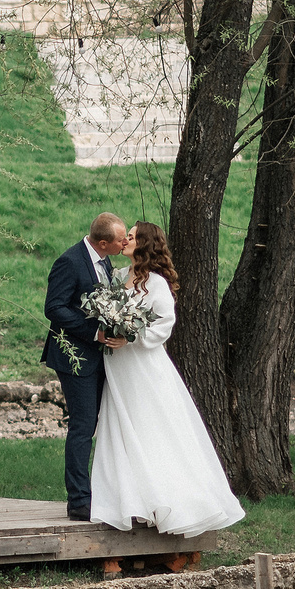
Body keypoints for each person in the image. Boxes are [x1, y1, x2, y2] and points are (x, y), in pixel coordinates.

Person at [89, 222, 246, 536]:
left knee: (150, 428)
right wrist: (109, 327)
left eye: (131, 236)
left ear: (145, 243)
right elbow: (105, 312)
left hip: (143, 366)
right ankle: (125, 502)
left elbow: (164, 324)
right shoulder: (117, 277)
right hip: (118, 366)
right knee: (121, 426)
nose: (125, 240)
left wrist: (130, 337)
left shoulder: (156, 283)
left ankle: (167, 502)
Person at [43, 212, 133, 521]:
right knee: (82, 426)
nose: (125, 242)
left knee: (97, 423)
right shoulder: (70, 262)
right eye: (121, 239)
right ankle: (79, 502)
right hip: (75, 357)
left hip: (100, 356)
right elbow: (53, 308)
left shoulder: (106, 261)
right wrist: (95, 332)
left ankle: (102, 494)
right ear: (104, 242)